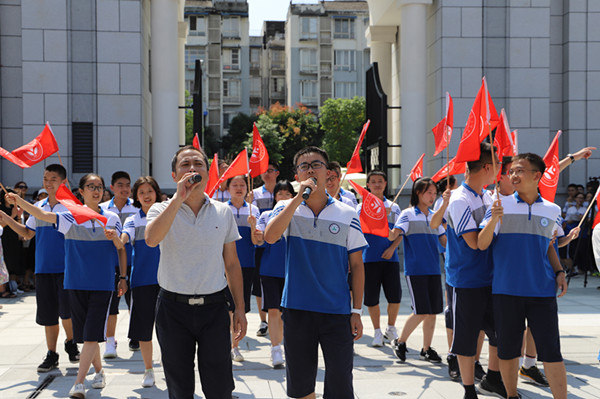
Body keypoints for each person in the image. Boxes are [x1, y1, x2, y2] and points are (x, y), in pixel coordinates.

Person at [7, 173, 127, 398]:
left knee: (91, 336)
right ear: (80, 192)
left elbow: (121, 246)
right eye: (90, 186)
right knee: (86, 335)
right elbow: (43, 214)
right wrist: (20, 202)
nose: (96, 190)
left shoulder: (111, 217)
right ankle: (99, 371)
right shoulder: (70, 216)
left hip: (102, 284)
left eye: (99, 186)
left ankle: (79, 384)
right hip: (75, 282)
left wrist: (116, 245)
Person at [264, 146, 367, 399]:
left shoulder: (347, 213)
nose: (310, 169)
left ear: (328, 171)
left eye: (316, 164)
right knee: (301, 384)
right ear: (296, 174)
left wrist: (356, 311)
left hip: (337, 311)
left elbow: (357, 266)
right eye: (303, 166)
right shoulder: (285, 207)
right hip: (298, 309)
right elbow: (270, 236)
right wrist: (298, 199)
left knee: (341, 382)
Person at [145, 145, 247, 398]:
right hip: (172, 308)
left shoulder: (223, 212)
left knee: (220, 385)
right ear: (173, 175)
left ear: (208, 172)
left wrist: (240, 309)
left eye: (198, 164)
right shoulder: (160, 209)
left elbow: (232, 264)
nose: (192, 169)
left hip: (214, 308)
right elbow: (151, 239)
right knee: (179, 386)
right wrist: (178, 198)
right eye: (185, 165)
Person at [478, 153, 568, 399]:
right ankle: (511, 395)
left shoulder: (552, 209)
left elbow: (549, 245)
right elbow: (481, 243)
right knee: (507, 352)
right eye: (511, 171)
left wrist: (559, 271)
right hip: (506, 291)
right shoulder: (499, 204)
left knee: (551, 352)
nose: (513, 175)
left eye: (520, 171)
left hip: (542, 291)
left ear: (537, 176)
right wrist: (493, 219)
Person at [0, 164, 80, 372]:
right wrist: (8, 219)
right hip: (43, 269)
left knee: (67, 312)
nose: (48, 182)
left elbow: (44, 217)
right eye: (45, 178)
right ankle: (52, 353)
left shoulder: (70, 207)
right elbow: (26, 234)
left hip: (66, 268)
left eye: (53, 178)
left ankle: (71, 343)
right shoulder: (40, 205)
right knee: (48, 315)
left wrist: (20, 202)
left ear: (63, 182)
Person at [444, 142, 505, 399]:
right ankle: (469, 390)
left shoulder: (487, 196)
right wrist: (493, 219)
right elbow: (475, 243)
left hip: (493, 278)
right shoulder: (460, 199)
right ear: (488, 166)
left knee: (499, 333)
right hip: (467, 280)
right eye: (499, 165)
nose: (501, 171)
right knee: (467, 339)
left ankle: (493, 377)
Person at [389, 177, 446, 363]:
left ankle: (426, 349)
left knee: (432, 312)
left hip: (434, 270)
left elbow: (445, 241)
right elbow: (392, 236)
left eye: (434, 193)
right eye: (428, 192)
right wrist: (384, 220)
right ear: (418, 193)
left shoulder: (434, 216)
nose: (432, 196)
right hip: (416, 271)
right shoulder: (407, 214)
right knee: (421, 311)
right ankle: (400, 341)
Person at [120, 176, 162, 388]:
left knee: (171, 329)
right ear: (136, 197)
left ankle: (174, 367)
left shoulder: (166, 214)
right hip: (142, 281)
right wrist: (115, 238)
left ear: (156, 192)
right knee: (144, 330)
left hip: (169, 281)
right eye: (141, 192)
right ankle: (148, 369)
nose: (146, 195)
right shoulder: (132, 219)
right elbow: (123, 240)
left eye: (150, 191)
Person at [357, 170, 402, 347]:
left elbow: (400, 232)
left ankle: (390, 328)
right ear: (368, 185)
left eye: (380, 181)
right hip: (369, 258)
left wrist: (392, 248)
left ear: (385, 184)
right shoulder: (360, 208)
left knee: (395, 297)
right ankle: (376, 331)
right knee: (371, 298)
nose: (377, 184)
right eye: (373, 181)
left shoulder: (394, 207)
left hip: (390, 259)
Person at [254, 180, 296, 368]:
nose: (284, 197)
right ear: (275, 197)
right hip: (270, 269)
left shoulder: (298, 215)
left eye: (288, 194)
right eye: (281, 194)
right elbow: (261, 240)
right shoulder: (266, 215)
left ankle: (291, 348)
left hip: (293, 269)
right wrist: (256, 235)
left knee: (290, 313)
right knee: (273, 310)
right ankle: (275, 349)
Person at [100, 171, 139, 356]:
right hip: (109, 263)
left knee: (135, 302)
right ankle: (109, 341)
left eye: (127, 185)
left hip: (135, 262)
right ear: (112, 187)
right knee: (111, 305)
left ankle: (136, 336)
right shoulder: (101, 210)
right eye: (120, 185)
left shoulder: (138, 209)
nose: (125, 189)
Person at [227, 174, 260, 362]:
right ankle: (233, 345)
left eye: (242, 185)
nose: (239, 188)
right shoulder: (222, 210)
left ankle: (235, 342)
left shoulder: (253, 210)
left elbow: (257, 241)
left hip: (247, 264)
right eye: (234, 185)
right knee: (228, 307)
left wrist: (254, 226)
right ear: (228, 188)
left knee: (241, 306)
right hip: (225, 264)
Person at [251, 160, 280, 336]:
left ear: (277, 172)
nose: (267, 173)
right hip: (262, 244)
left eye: (271, 170)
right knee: (260, 284)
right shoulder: (253, 194)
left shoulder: (284, 190)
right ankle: (263, 321)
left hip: (280, 245)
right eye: (264, 171)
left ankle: (280, 318)